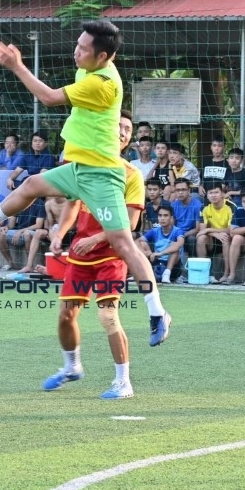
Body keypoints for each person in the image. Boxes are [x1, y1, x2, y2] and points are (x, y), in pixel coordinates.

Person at [0, 22, 170, 346]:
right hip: (79, 167)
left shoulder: (102, 82)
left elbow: (49, 97)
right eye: (77, 44)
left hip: (102, 174)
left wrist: (18, 66)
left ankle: (157, 312)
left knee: (124, 243)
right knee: (31, 185)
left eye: (83, 49)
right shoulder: (89, 68)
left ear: (103, 57)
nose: (76, 52)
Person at [42, 114, 145, 399]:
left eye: (128, 130)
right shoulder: (85, 166)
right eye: (119, 127)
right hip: (80, 256)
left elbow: (131, 223)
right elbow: (73, 205)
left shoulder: (131, 175)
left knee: (108, 316)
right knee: (65, 315)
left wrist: (97, 237)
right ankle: (71, 367)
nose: (123, 132)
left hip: (112, 256)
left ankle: (124, 383)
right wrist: (59, 234)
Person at [137, 203, 184, 284]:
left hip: (173, 267)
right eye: (160, 215)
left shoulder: (177, 231)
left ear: (171, 218)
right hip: (157, 262)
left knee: (175, 246)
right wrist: (147, 253)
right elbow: (136, 241)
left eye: (165, 216)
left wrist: (160, 253)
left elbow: (179, 244)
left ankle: (167, 274)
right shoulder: (154, 231)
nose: (162, 218)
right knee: (142, 243)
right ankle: (142, 272)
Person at [194, 182, 233, 264]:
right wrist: (215, 234)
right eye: (210, 193)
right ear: (207, 195)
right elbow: (202, 231)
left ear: (222, 193)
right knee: (201, 238)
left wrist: (209, 229)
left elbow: (231, 230)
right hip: (212, 238)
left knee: (225, 237)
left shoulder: (231, 206)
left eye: (216, 192)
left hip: (229, 238)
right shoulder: (204, 208)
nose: (213, 195)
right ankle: (203, 271)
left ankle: (226, 273)